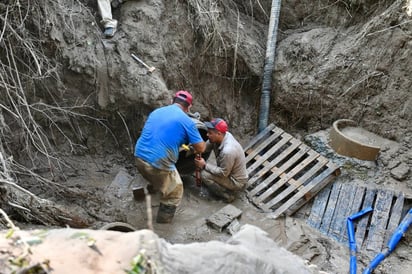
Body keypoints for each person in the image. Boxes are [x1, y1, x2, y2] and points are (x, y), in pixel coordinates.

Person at [134, 90, 206, 223]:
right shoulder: (187, 121)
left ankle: (146, 192)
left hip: (139, 156)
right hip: (158, 163)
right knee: (175, 191)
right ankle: (163, 225)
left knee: (157, 176)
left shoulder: (157, 112)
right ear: (189, 107)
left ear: (172, 101)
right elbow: (201, 148)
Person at [194, 118, 248, 203]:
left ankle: (227, 195)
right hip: (228, 172)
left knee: (204, 174)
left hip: (236, 181)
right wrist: (195, 147)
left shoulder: (228, 151)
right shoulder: (221, 136)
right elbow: (204, 148)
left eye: (210, 133)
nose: (207, 135)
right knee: (207, 168)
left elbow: (223, 173)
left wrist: (204, 165)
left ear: (218, 134)